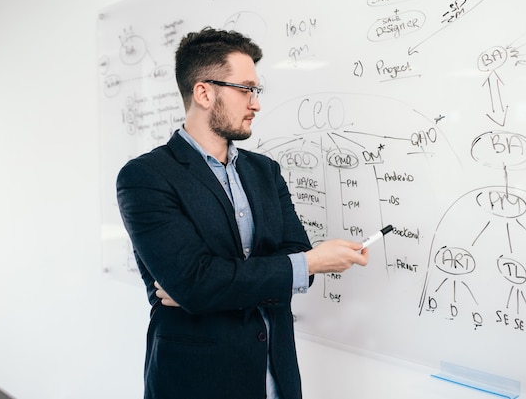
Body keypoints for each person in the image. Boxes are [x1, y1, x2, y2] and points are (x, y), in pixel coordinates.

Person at [116, 27, 369, 399]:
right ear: (204, 92)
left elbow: (281, 259)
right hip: (197, 383)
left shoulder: (264, 171)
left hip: (276, 378)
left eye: (256, 91)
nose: (256, 103)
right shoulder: (146, 177)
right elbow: (199, 285)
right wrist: (304, 264)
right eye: (246, 89)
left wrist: (217, 283)